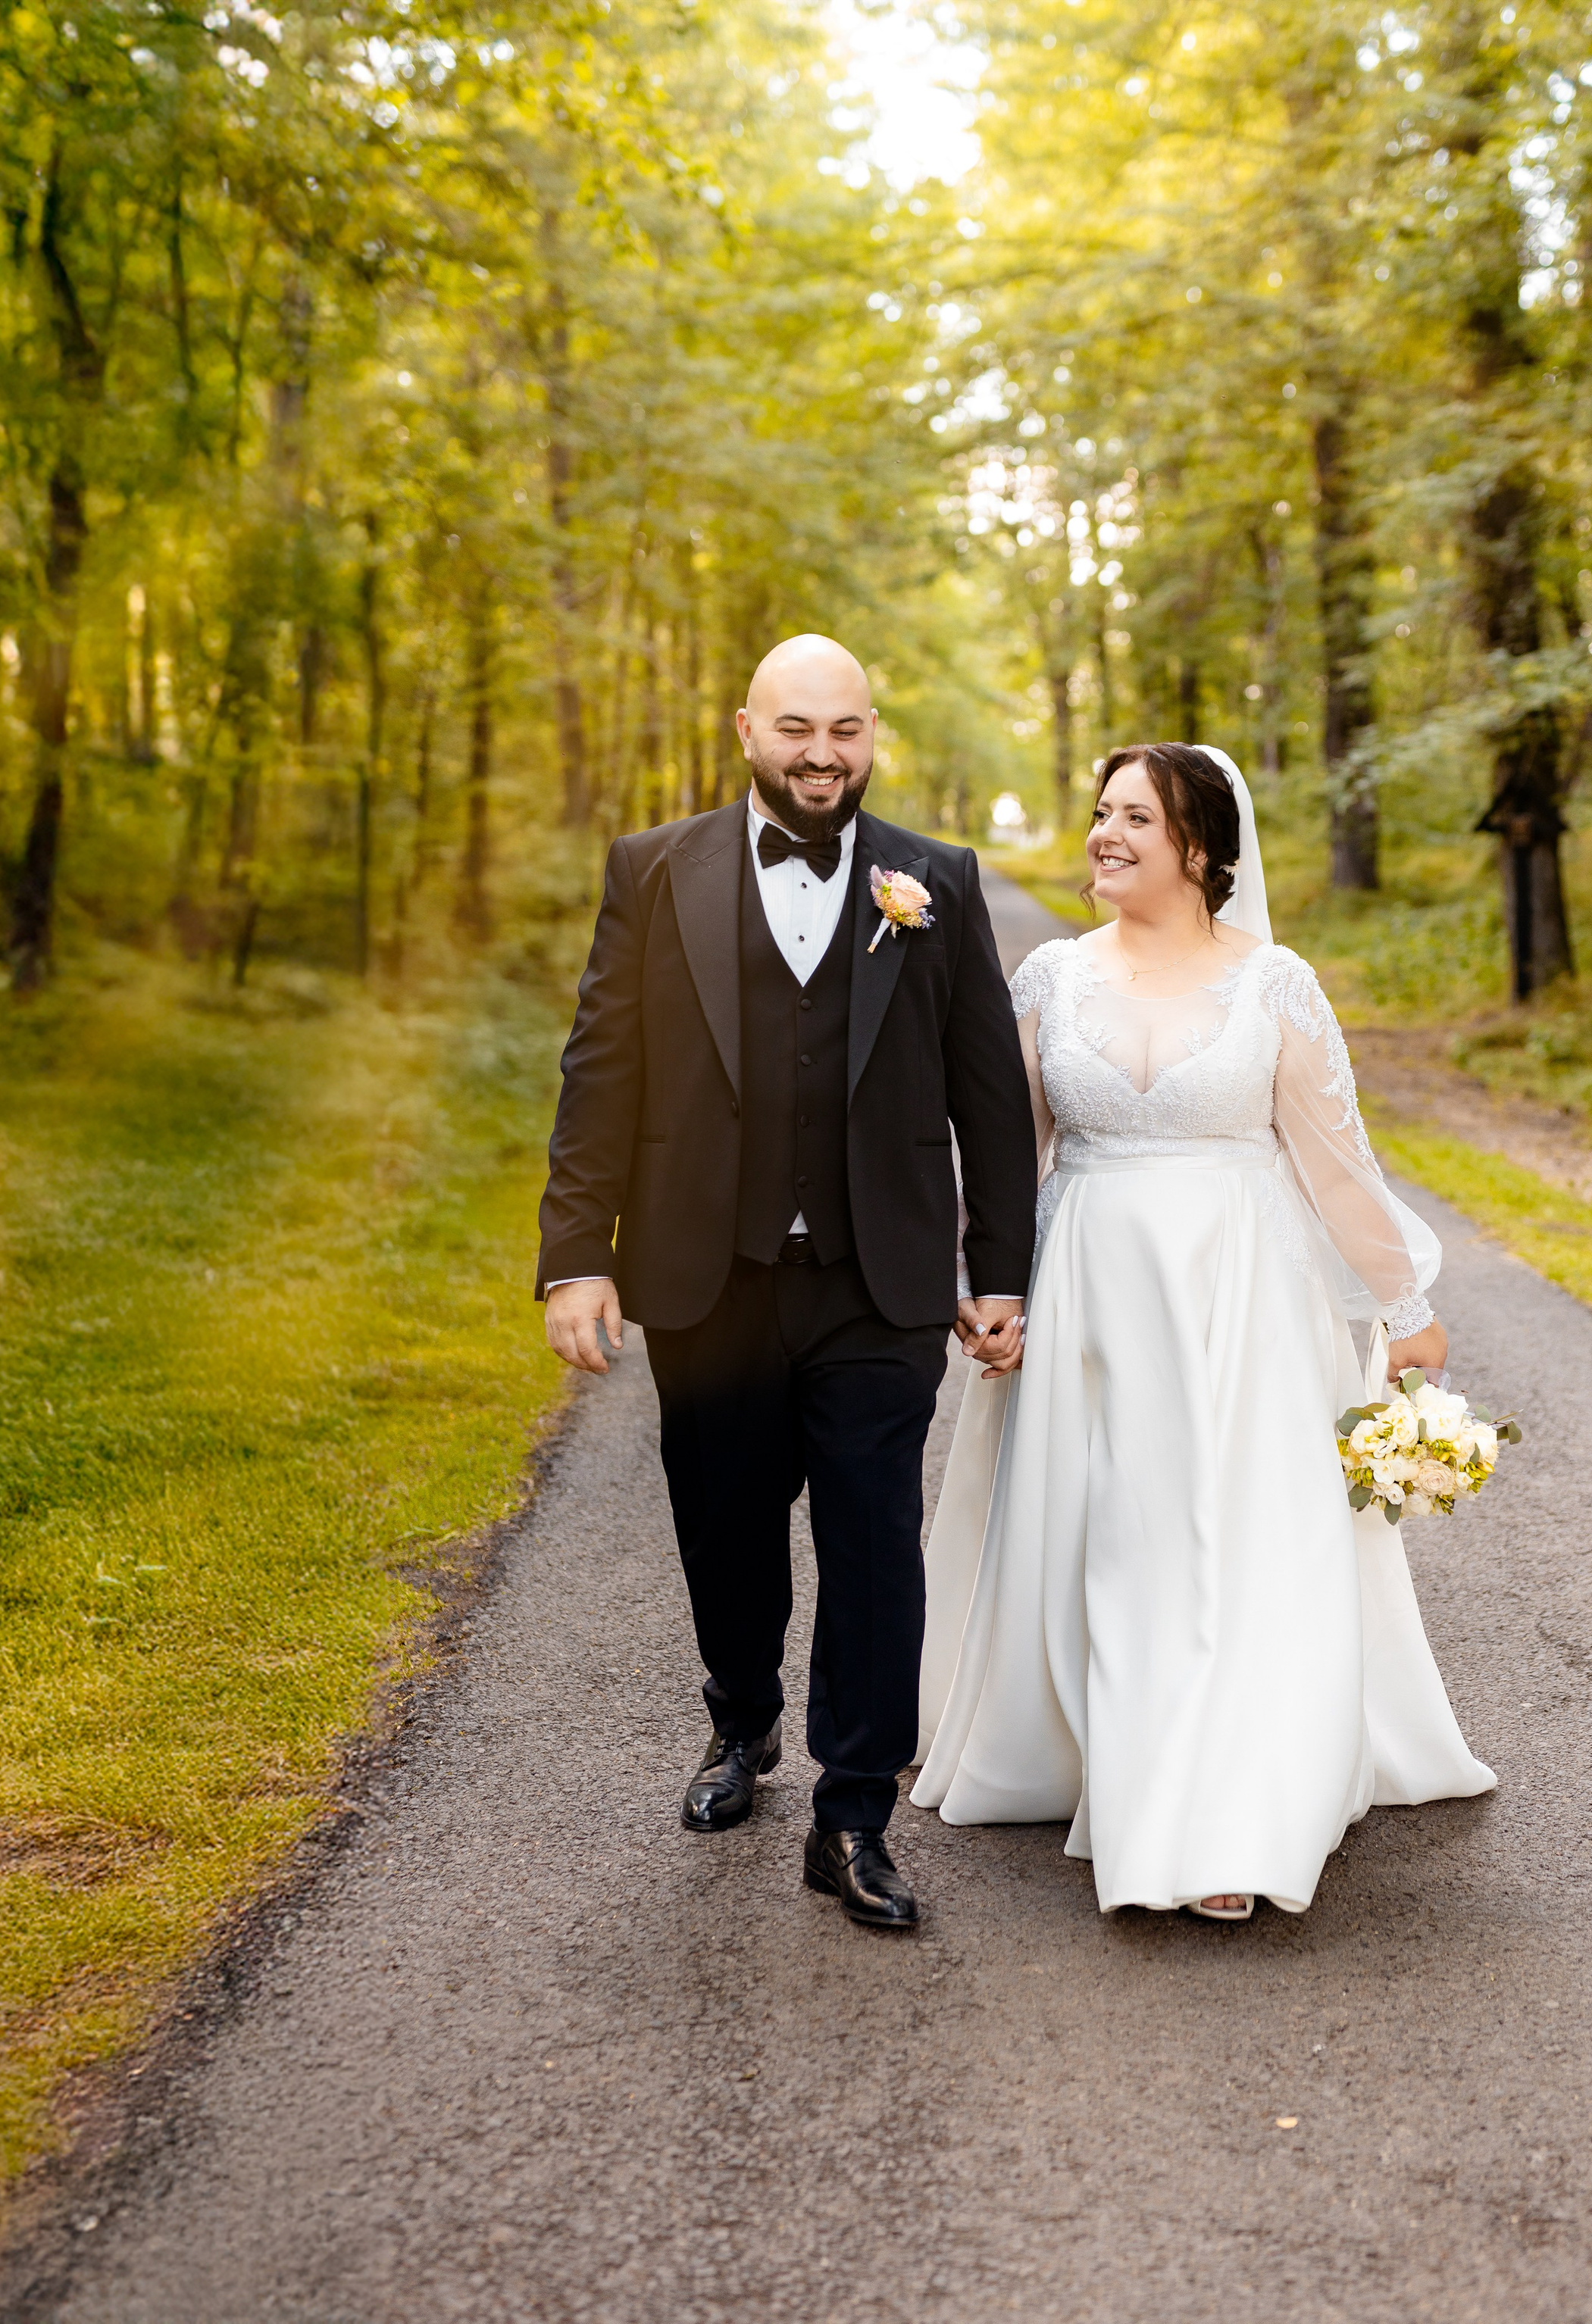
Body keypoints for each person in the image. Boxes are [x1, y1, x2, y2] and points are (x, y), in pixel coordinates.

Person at [912, 742, 1496, 1919]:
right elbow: (1007, 1156)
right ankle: (1122, 1768)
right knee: (1120, 1539)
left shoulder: (1274, 982)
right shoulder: (1049, 981)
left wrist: (1407, 1309)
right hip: (1089, 1289)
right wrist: (991, 1289)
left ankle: (1220, 1815)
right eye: (1099, 813)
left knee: (1217, 1547)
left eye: (1135, 816)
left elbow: (1337, 1165)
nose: (1103, 835)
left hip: (1239, 1300)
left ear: (1199, 848)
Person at [537, 634, 1037, 1929]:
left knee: (876, 1542)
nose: (825, 755)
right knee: (727, 1525)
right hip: (709, 1267)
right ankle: (742, 1720)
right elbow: (603, 1071)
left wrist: (1001, 1273)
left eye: (848, 731)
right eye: (799, 730)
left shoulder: (937, 881)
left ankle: (854, 1813)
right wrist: (576, 1256)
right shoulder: (655, 872)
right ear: (746, 729)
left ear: (874, 734)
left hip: (882, 1276)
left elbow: (990, 1091)